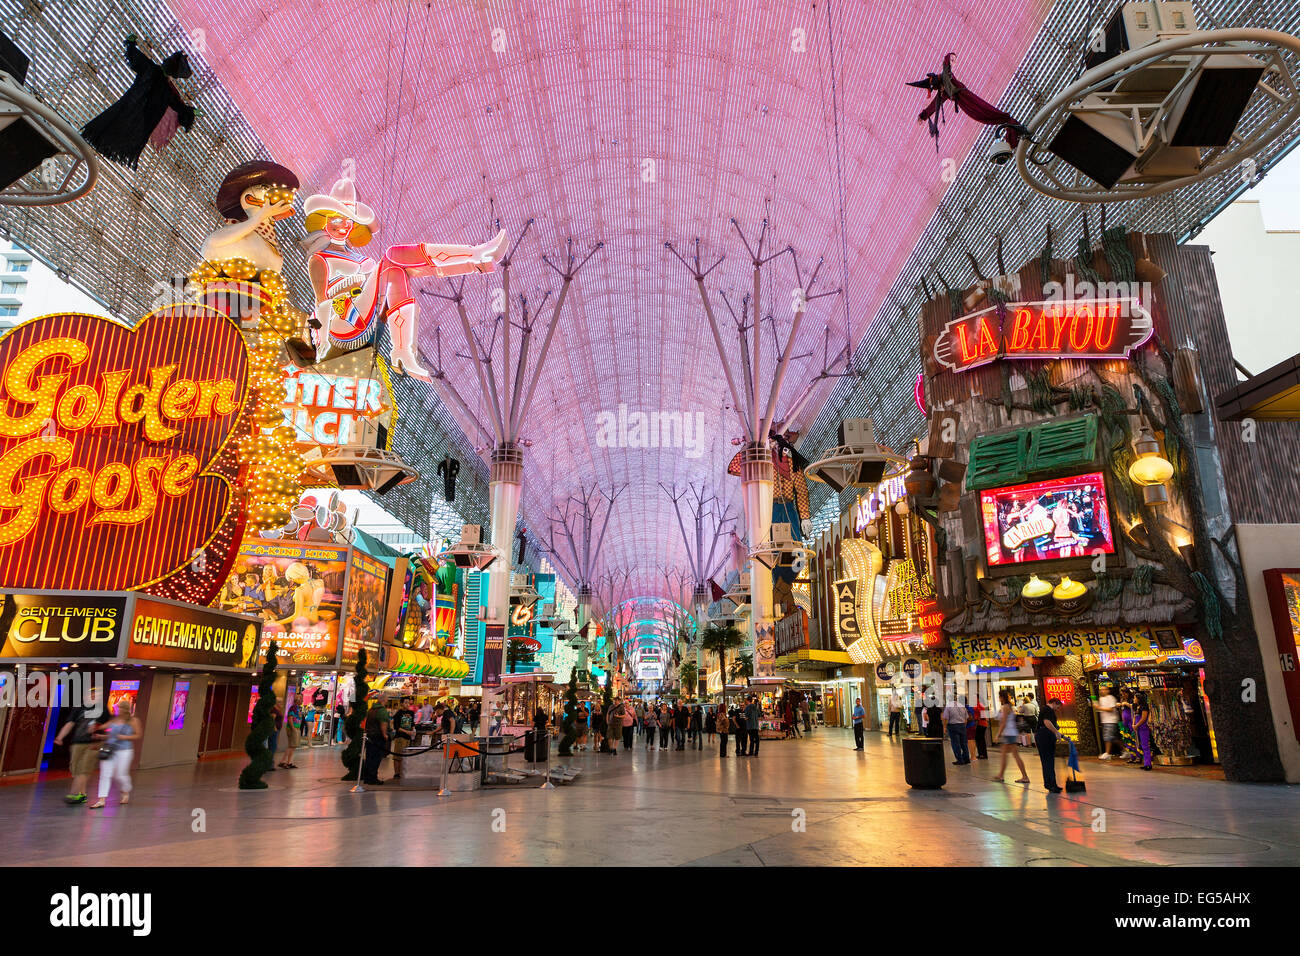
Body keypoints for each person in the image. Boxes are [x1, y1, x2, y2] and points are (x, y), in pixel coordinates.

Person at [54, 685, 104, 806]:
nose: (93, 696)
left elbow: (111, 723)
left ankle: (75, 793)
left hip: (93, 744)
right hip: (78, 743)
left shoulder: (102, 709)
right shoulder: (78, 708)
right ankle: (82, 794)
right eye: (91, 694)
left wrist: (99, 728)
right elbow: (69, 724)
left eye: (96, 695)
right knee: (76, 770)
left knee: (83, 769)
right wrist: (60, 737)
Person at [89, 698, 141, 809]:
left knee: (120, 775)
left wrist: (125, 737)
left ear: (126, 709)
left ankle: (125, 791)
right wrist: (100, 735)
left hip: (124, 750)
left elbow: (138, 735)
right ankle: (101, 799)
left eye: (120, 708)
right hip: (110, 749)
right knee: (105, 774)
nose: (117, 709)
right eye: (117, 708)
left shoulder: (133, 721)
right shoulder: (113, 720)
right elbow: (105, 731)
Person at [993, 688, 1030, 784]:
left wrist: (998, 734)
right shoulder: (1009, 706)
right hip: (1011, 733)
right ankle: (1001, 774)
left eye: (999, 697)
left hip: (1009, 733)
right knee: (1007, 755)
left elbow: (1004, 722)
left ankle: (1024, 776)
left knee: (1011, 755)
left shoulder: (1005, 707)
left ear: (1001, 697)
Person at [1036, 696, 1069, 792]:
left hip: (1043, 736)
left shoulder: (1045, 710)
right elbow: (1047, 722)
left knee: (1048, 761)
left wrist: (1061, 735)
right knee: (1048, 761)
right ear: (1054, 703)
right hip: (1045, 737)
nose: (1058, 710)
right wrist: (1056, 732)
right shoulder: (1048, 710)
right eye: (1058, 707)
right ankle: (1051, 784)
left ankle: (1051, 783)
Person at [362, 693, 390, 785]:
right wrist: (385, 734)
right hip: (377, 737)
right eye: (387, 699)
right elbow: (383, 723)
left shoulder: (371, 709)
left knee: (369, 757)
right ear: (383, 700)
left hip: (369, 736)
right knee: (376, 758)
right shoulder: (382, 711)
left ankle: (367, 777)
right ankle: (373, 778)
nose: (387, 700)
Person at [1094, 685, 1121, 760]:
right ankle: (1125, 751)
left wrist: (1099, 708)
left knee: (1107, 737)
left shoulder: (1111, 698)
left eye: (1104, 689)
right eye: (1101, 690)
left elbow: (1110, 709)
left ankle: (1107, 753)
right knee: (1115, 738)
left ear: (1108, 690)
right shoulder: (1101, 699)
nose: (1102, 691)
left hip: (1111, 721)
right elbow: (1100, 709)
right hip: (1105, 721)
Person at [942, 695, 970, 765]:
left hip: (953, 726)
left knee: (955, 743)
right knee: (964, 743)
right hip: (962, 725)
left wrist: (944, 727)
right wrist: (964, 726)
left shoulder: (949, 706)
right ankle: (966, 758)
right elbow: (966, 718)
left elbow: (945, 718)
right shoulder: (962, 706)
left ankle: (960, 760)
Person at [391, 698, 415, 779]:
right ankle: (397, 773)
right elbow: (397, 727)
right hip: (400, 737)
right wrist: (406, 732)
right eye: (405, 702)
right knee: (398, 756)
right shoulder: (398, 713)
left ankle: (403, 772)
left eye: (409, 702)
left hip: (408, 737)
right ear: (401, 703)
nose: (407, 704)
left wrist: (413, 729)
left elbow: (412, 723)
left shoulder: (411, 713)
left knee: (405, 756)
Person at [1133, 691, 1154, 770]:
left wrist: (1137, 725)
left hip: (1143, 727)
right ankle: (1146, 763)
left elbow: (1144, 718)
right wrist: (1133, 724)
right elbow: (1135, 716)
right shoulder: (1137, 706)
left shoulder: (1144, 707)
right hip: (1138, 727)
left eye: (1135, 698)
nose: (1134, 699)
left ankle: (1148, 764)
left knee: (1145, 745)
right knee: (1142, 745)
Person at [280, 699, 301, 769]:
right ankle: (284, 762)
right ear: (297, 701)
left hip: (296, 728)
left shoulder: (297, 708)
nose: (302, 700)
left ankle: (288, 762)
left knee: (292, 746)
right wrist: (293, 728)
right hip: (293, 729)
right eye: (300, 699)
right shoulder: (293, 707)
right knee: (291, 746)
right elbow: (290, 718)